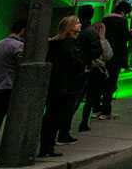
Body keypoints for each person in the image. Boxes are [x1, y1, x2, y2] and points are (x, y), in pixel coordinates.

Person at [39, 16, 86, 158]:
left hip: (56, 84)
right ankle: (48, 146)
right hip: (65, 85)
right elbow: (74, 63)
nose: (80, 25)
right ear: (70, 27)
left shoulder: (55, 43)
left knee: (51, 115)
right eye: (77, 23)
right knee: (55, 116)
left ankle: (46, 146)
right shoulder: (69, 44)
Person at [0, 19, 25, 158]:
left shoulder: (0, 43)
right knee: (1, 118)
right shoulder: (18, 46)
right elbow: (22, 66)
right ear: (23, 30)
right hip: (7, 86)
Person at [99, 1, 132, 119]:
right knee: (112, 81)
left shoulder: (105, 19)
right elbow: (125, 37)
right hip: (116, 55)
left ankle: (96, 108)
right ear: (123, 11)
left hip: (104, 53)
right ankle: (106, 111)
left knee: (102, 80)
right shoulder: (122, 21)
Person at [77, 20, 111, 132]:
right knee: (90, 99)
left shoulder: (82, 37)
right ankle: (84, 123)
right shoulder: (99, 41)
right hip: (95, 71)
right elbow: (108, 55)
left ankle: (66, 127)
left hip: (85, 70)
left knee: (79, 98)